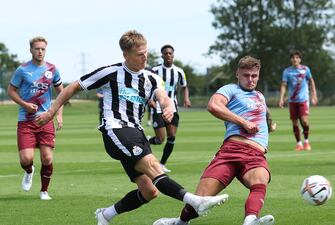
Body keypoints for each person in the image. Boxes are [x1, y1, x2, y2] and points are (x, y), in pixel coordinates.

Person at [35, 30, 228, 225]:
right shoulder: (110, 73)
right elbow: (73, 87)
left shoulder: (151, 78)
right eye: (139, 54)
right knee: (154, 166)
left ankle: (105, 215)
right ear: (126, 55)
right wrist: (51, 112)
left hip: (137, 132)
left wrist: (168, 107)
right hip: (116, 129)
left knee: (149, 191)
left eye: (146, 53)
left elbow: (163, 97)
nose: (145, 57)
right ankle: (195, 201)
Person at [153, 56, 275, 225]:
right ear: (237, 74)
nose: (250, 79)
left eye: (254, 75)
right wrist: (243, 122)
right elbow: (213, 106)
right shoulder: (230, 89)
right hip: (231, 151)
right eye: (246, 75)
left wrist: (270, 124)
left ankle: (250, 220)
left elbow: (264, 114)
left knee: (260, 181)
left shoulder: (260, 96)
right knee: (200, 199)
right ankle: (179, 222)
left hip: (255, 154)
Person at [7, 36, 64, 200]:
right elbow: (11, 91)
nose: (40, 52)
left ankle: (44, 191)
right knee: (26, 159)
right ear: (30, 50)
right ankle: (29, 171)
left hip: (45, 120)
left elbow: (63, 94)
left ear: (46, 50)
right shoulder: (22, 70)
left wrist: (58, 115)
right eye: (37, 48)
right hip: (26, 121)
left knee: (47, 158)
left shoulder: (52, 70)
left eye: (43, 49)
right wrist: (24, 104)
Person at [147, 44, 191, 173]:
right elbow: (147, 85)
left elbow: (184, 86)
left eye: (170, 53)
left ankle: (162, 164)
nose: (168, 55)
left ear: (173, 55)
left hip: (173, 108)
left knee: (171, 137)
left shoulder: (179, 71)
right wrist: (150, 99)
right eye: (165, 53)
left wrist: (186, 98)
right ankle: (148, 141)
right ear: (162, 55)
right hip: (157, 108)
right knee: (160, 140)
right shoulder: (155, 70)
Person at [278, 50, 318, 151]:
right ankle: (299, 144)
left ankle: (306, 141)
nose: (295, 59)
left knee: (304, 121)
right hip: (292, 101)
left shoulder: (305, 69)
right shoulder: (287, 71)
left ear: (300, 59)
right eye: (293, 58)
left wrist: (314, 95)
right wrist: (281, 98)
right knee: (295, 123)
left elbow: (311, 81)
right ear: (290, 59)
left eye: (297, 57)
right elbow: (283, 85)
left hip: (303, 100)